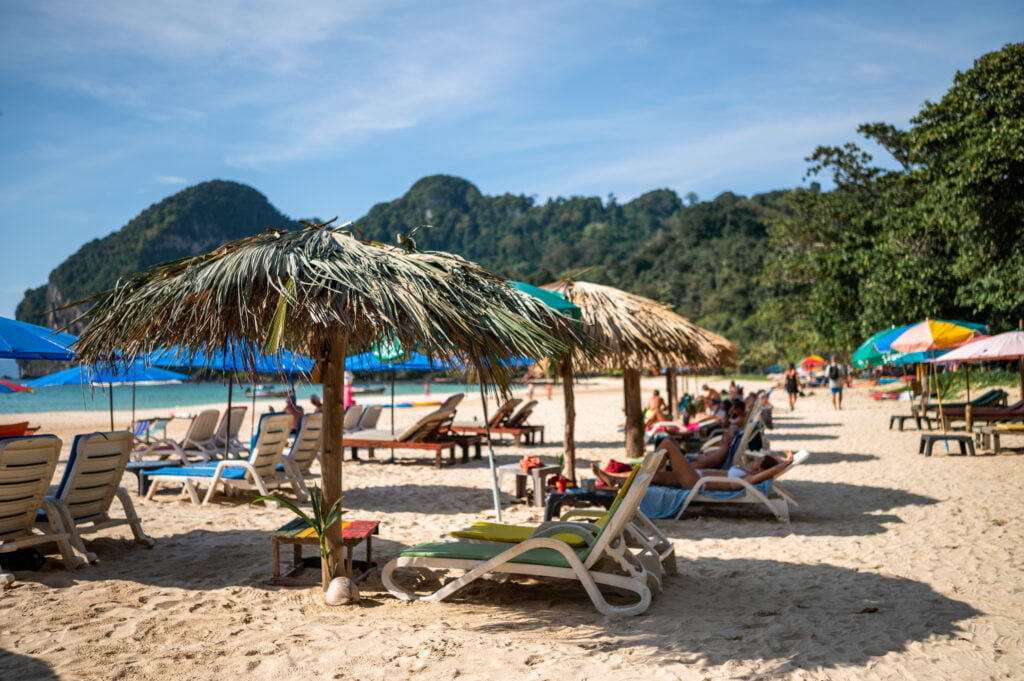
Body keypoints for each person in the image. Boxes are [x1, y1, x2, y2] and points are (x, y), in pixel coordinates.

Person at [593, 436, 793, 491]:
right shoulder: (746, 469)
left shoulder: (751, 477)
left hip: (695, 482)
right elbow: (770, 463)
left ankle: (648, 465)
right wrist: (783, 458)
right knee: (656, 476)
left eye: (759, 460)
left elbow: (770, 471)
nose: (756, 459)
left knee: (668, 444)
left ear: (761, 468)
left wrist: (785, 463)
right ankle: (613, 478)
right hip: (694, 477)